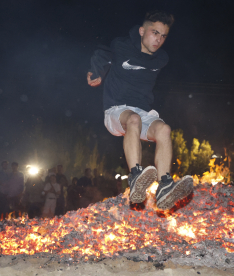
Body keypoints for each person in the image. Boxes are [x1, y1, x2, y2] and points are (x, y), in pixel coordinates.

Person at [87, 10, 193, 210]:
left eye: (163, 36)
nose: (159, 40)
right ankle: (135, 177)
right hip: (116, 110)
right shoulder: (121, 46)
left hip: (142, 111)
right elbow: (102, 52)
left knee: (164, 129)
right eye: (155, 33)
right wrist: (97, 72)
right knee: (133, 119)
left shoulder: (162, 59)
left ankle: (165, 186)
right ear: (142, 31)